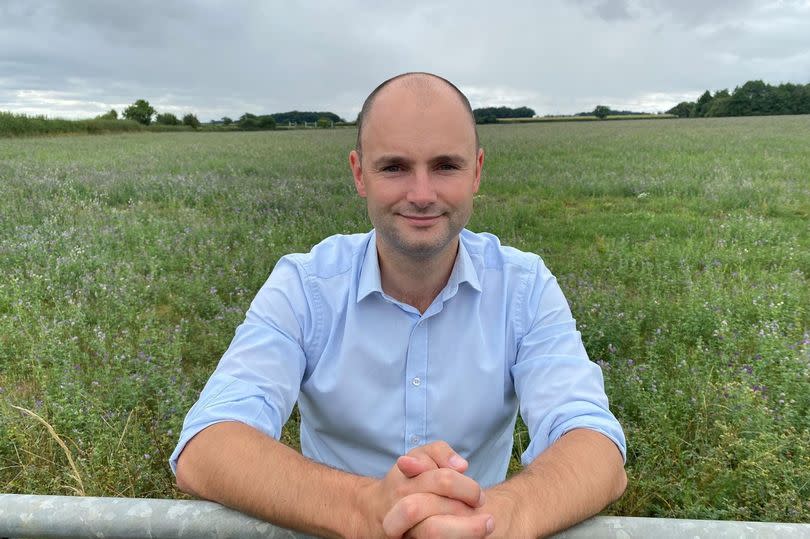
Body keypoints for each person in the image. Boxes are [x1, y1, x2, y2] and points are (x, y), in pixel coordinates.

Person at [171, 72, 627, 538]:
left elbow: (594, 443)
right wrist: (365, 510)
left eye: (446, 166)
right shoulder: (305, 287)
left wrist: (504, 516)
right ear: (358, 173)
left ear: (477, 172)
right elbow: (208, 444)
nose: (422, 194)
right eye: (394, 167)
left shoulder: (523, 286)